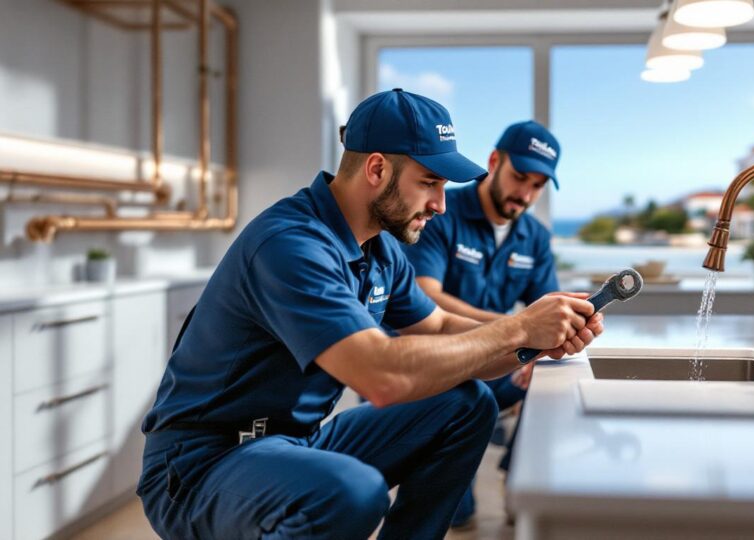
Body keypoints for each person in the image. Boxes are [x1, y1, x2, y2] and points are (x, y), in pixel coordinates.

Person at [135, 88, 604, 539]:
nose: (440, 205)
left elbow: (438, 325)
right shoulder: (291, 244)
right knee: (352, 493)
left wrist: (534, 341)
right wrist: (519, 326)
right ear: (377, 169)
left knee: (468, 404)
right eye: (430, 183)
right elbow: (381, 377)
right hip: (202, 464)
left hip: (294, 443)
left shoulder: (381, 249)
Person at [401, 119, 562, 528]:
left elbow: (546, 307)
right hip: (435, 365)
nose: (525, 193)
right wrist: (521, 326)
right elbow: (427, 296)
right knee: (458, 520)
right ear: (494, 161)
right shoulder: (440, 211)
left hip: (494, 365)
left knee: (551, 379)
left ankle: (519, 479)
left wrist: (539, 350)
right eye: (519, 177)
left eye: (538, 185)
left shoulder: (536, 237)